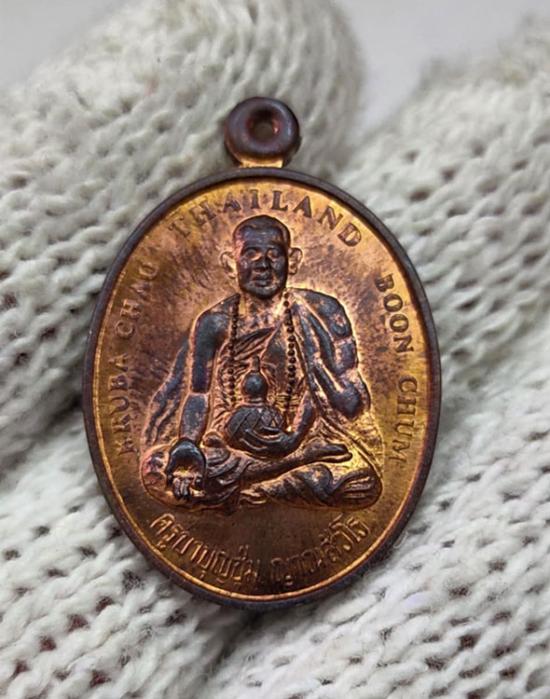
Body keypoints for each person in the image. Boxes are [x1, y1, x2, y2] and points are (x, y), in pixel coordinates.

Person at [141, 215, 383, 511]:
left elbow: (352, 405)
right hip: (229, 448)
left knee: (363, 481)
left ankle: (255, 490)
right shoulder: (213, 323)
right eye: (251, 253)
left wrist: (315, 367)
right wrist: (188, 442)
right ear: (231, 264)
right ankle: (266, 483)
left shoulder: (322, 312)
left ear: (293, 261)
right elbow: (198, 393)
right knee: (155, 467)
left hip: (304, 440)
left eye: (274, 254)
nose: (262, 264)